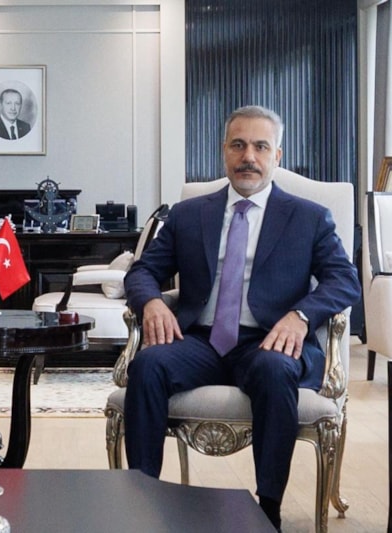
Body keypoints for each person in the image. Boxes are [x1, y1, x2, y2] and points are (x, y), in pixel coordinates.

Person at [123, 105, 361, 531]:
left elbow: (344, 280)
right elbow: (142, 271)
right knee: (148, 365)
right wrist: (152, 303)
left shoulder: (309, 217)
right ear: (224, 151)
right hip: (200, 340)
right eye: (238, 145)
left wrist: (301, 316)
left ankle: (268, 509)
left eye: (260, 146)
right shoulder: (189, 214)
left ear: (277, 156)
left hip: (269, 341)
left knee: (275, 370)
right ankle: (142, 501)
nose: (248, 156)